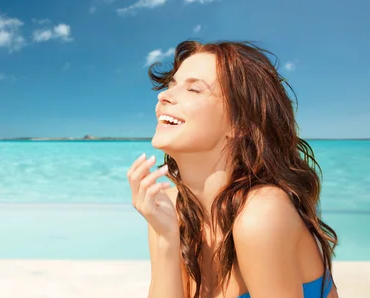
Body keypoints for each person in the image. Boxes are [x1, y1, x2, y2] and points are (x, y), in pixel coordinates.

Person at [126, 40, 339, 298]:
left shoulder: (260, 214)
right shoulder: (170, 210)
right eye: (172, 85)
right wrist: (166, 239)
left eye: (194, 89)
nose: (164, 95)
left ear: (241, 125)